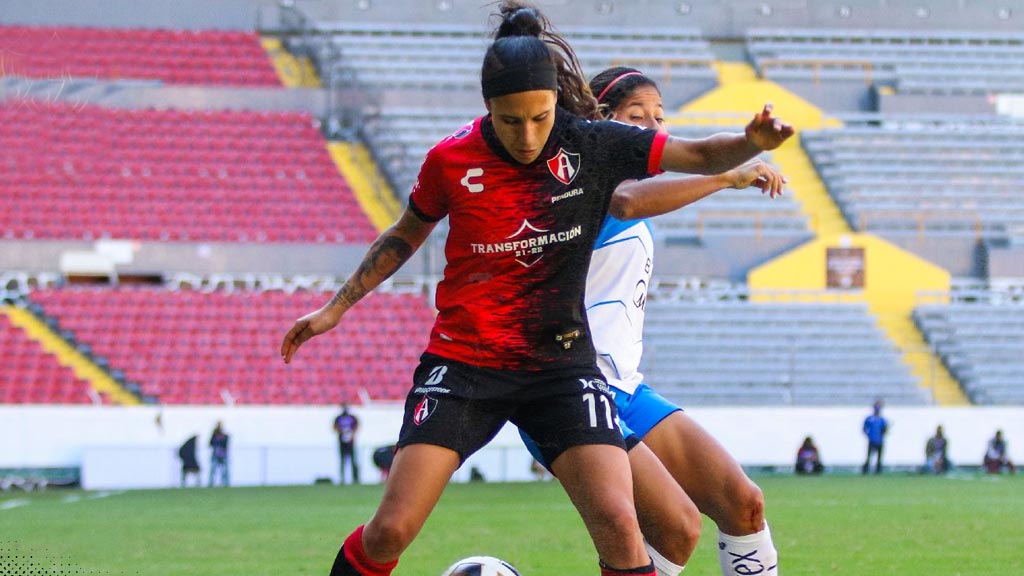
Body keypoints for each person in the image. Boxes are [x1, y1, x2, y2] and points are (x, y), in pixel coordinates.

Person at [281, 4, 791, 575]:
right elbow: (405, 233)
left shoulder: (592, 143)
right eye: (510, 120)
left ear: (556, 103)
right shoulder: (450, 160)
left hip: (562, 369)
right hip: (466, 364)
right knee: (391, 529)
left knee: (625, 528)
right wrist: (337, 307)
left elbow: (696, 153)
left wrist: (750, 142)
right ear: (488, 110)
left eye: (541, 118)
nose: (527, 135)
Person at [522, 66, 785, 576]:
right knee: (677, 527)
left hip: (622, 387)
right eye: (635, 117)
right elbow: (624, 200)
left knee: (742, 503)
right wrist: (726, 176)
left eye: (659, 119)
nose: (651, 130)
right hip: (564, 393)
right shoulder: (582, 186)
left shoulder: (628, 197)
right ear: (603, 124)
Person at [334, 403, 361, 484]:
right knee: (342, 460)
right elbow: (335, 427)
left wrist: (351, 435)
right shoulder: (338, 418)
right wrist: (342, 432)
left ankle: (355, 478)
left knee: (353, 460)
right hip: (342, 442)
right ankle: (342, 478)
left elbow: (357, 426)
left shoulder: (353, 418)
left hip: (351, 442)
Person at [862, 399, 888, 474]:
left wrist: (884, 432)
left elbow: (884, 430)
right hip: (872, 440)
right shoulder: (869, 418)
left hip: (880, 440)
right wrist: (869, 435)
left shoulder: (882, 419)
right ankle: (866, 470)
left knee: (879, 457)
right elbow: (864, 428)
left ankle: (878, 470)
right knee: (869, 456)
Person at [209, 421, 230, 487]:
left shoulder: (225, 436)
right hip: (215, 455)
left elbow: (225, 444)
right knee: (213, 470)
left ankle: (225, 484)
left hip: (223, 455)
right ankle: (211, 483)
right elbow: (210, 443)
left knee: (224, 471)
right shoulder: (214, 436)